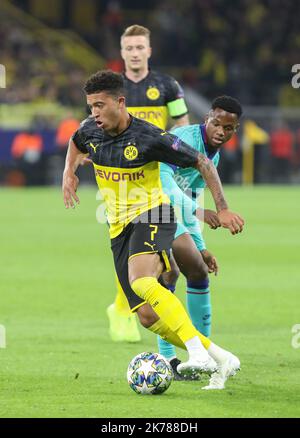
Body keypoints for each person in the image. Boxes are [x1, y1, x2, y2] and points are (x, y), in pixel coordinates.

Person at [62, 70, 244, 389]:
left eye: (100, 106)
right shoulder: (90, 129)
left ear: (120, 102)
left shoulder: (150, 137)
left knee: (144, 280)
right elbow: (75, 142)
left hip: (154, 213)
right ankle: (219, 356)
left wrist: (223, 207)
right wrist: (69, 172)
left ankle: (195, 353)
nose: (94, 114)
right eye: (90, 106)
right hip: (119, 227)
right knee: (147, 316)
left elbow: (203, 162)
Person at [107, 24, 190, 343]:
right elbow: (94, 123)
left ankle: (146, 303)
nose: (135, 53)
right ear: (122, 52)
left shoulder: (167, 85)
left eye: (140, 47)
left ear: (149, 51)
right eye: (129, 48)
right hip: (125, 175)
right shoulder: (114, 87)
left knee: (165, 242)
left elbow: (182, 125)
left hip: (161, 173)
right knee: (130, 243)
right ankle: (128, 308)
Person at [157, 96, 242, 380]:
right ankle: (167, 359)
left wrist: (202, 247)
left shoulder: (212, 154)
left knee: (197, 270)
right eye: (216, 123)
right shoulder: (184, 138)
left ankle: (203, 355)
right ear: (207, 118)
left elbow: (190, 194)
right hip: (147, 205)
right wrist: (200, 212)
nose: (220, 131)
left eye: (227, 128)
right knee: (170, 273)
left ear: (235, 130)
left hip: (168, 211)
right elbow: (163, 180)